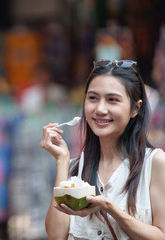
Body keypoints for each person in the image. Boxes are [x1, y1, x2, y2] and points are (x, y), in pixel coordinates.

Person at [40, 59, 165, 239]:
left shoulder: (154, 163)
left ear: (135, 108)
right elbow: (56, 235)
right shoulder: (76, 169)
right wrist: (62, 161)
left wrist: (110, 208)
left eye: (112, 100)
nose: (100, 109)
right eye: (93, 98)